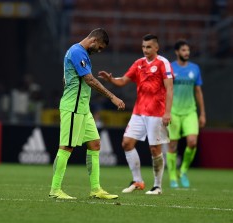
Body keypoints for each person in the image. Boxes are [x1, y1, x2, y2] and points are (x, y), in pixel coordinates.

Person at [49, 28, 125, 200]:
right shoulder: (77, 52)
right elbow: (89, 79)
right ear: (93, 40)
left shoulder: (78, 52)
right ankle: (55, 189)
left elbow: (66, 78)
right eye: (99, 47)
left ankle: (96, 189)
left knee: (95, 144)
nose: (99, 51)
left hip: (83, 108)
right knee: (66, 147)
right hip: (73, 107)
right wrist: (112, 97)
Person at [98, 34, 174, 195]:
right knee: (127, 143)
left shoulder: (163, 63)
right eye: (143, 47)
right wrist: (111, 80)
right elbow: (123, 80)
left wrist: (167, 112)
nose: (145, 50)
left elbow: (170, 89)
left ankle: (157, 186)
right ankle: (137, 181)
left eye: (148, 47)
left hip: (157, 112)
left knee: (155, 149)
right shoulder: (139, 63)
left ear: (156, 48)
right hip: (139, 111)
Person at [166, 39, 206, 188]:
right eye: (183, 50)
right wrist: (166, 111)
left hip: (190, 111)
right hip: (174, 111)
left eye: (188, 50)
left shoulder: (195, 68)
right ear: (177, 52)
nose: (186, 53)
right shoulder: (170, 67)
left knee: (192, 142)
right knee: (172, 146)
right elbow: (166, 90)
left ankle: (182, 171)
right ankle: (172, 177)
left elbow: (198, 91)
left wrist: (202, 114)